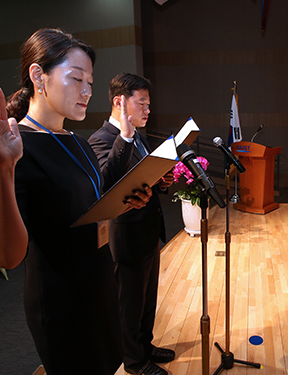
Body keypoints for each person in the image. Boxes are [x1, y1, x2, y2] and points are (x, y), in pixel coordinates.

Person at [0, 29, 151, 375]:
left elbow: (87, 209)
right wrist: (0, 168)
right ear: (38, 76)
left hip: (100, 286)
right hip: (62, 303)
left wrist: (123, 202)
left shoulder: (78, 141)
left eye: (90, 81)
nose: (87, 91)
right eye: (76, 79)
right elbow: (7, 256)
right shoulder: (13, 145)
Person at [88, 73, 175, 375]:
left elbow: (140, 179)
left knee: (147, 300)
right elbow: (106, 183)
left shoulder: (138, 135)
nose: (148, 111)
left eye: (148, 104)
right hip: (125, 236)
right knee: (129, 304)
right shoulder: (101, 140)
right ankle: (135, 362)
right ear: (119, 102)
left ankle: (145, 346)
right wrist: (124, 139)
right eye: (142, 104)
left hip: (148, 231)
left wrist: (161, 180)